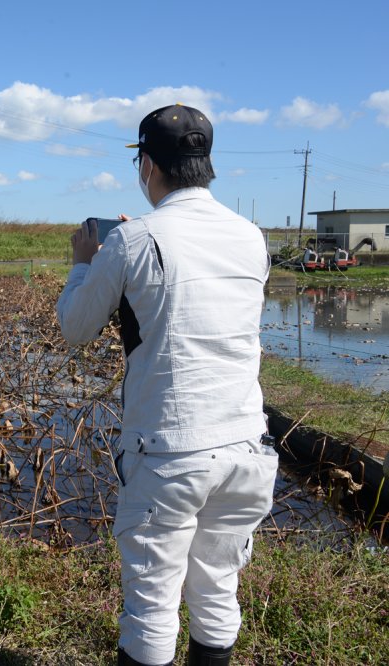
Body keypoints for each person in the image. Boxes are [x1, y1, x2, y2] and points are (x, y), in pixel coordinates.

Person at [56, 105, 280, 666]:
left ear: (147, 165)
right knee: (217, 590)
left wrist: (85, 262)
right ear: (206, 164)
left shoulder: (133, 243)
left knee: (153, 607)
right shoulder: (252, 237)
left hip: (170, 452)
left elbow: (77, 328)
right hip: (247, 448)